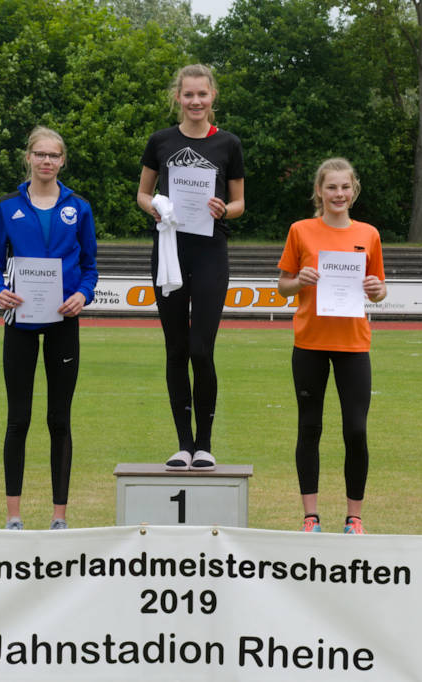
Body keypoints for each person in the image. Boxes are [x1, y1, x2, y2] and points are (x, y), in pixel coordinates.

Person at [0, 126, 98, 530]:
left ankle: (58, 517)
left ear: (62, 161)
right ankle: (13, 517)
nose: (47, 161)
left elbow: (90, 267)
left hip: (64, 321)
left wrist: (83, 294)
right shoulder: (6, 207)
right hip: (21, 321)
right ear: (28, 158)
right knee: (19, 419)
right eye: (40, 154)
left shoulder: (79, 207)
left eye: (54, 156)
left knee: (59, 419)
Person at [136, 64, 245, 472]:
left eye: (202, 94)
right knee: (176, 349)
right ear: (177, 98)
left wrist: (224, 209)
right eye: (188, 95)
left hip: (210, 252)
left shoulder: (228, 144)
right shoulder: (161, 141)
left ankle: (205, 444)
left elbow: (238, 203)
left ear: (212, 96)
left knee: (201, 349)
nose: (195, 101)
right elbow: (143, 195)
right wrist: (158, 206)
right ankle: (183, 445)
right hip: (168, 252)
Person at [277, 158, 386, 534]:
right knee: (310, 427)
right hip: (310, 342)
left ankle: (354, 517)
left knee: (356, 429)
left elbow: (379, 288)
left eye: (344, 187)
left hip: (353, 344)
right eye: (331, 187)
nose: (338, 194)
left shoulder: (368, 234)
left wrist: (377, 290)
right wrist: (300, 280)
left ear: (353, 191)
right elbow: (283, 284)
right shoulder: (301, 231)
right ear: (319, 191)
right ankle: (311, 517)